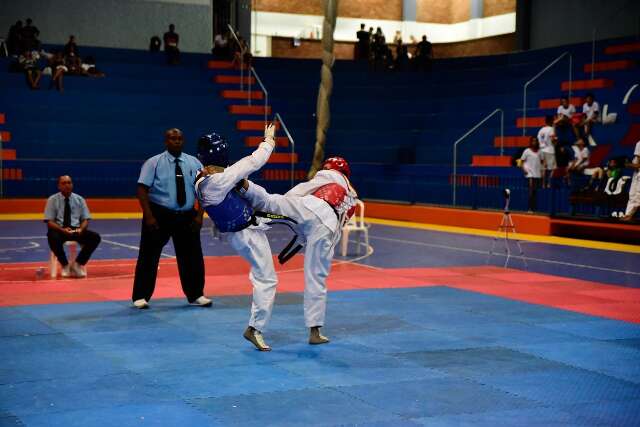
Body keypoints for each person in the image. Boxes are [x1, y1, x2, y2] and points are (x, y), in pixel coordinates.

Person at [242, 157, 358, 345]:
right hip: (328, 228)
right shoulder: (353, 196)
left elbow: (302, 189)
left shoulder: (330, 174)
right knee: (316, 279)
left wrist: (286, 205)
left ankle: (243, 187)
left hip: (313, 207)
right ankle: (315, 331)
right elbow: (336, 226)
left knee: (272, 202)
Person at [194, 124, 279, 351]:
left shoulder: (206, 178)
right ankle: (255, 328)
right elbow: (253, 160)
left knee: (264, 197)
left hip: (247, 226)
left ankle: (256, 327)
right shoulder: (218, 180)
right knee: (267, 279)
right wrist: (269, 139)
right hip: (246, 234)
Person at [132, 128, 209, 309]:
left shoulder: (194, 162)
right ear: (166, 141)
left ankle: (196, 294)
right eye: (173, 138)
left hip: (187, 215)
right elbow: (142, 189)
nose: (176, 141)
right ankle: (140, 296)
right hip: (159, 214)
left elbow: (204, 190)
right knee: (148, 256)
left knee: (193, 256)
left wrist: (199, 216)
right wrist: (149, 216)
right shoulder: (154, 162)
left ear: (183, 141)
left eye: (179, 138)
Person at [44, 175, 101, 278]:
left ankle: (78, 264)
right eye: (64, 183)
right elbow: (49, 221)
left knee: (95, 237)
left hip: (75, 229)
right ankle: (65, 265)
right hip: (59, 230)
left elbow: (85, 219)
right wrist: (62, 230)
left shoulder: (80, 199)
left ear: (72, 185)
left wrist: (81, 229)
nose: (67, 185)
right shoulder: (52, 200)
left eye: (69, 182)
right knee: (52, 236)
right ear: (59, 186)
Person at [519, 137, 543, 212]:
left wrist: (542, 172)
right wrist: (524, 170)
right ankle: (530, 208)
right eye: (533, 141)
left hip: (538, 174)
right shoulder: (527, 151)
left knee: (535, 192)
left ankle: (534, 208)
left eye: (535, 141)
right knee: (531, 191)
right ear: (530, 142)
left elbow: (542, 162)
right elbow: (521, 162)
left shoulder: (540, 152)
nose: (534, 142)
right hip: (529, 174)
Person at [622, 140, 640, 221]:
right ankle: (628, 215)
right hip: (637, 174)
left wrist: (627, 164)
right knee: (633, 195)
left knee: (636, 195)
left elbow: (638, 165)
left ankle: (629, 215)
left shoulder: (639, 143)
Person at [537, 115, 557, 188]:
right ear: (551, 121)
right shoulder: (551, 129)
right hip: (549, 150)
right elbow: (552, 140)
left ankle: (542, 185)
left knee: (543, 169)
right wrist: (556, 141)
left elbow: (538, 141)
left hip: (541, 150)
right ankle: (548, 184)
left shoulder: (540, 130)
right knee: (552, 169)